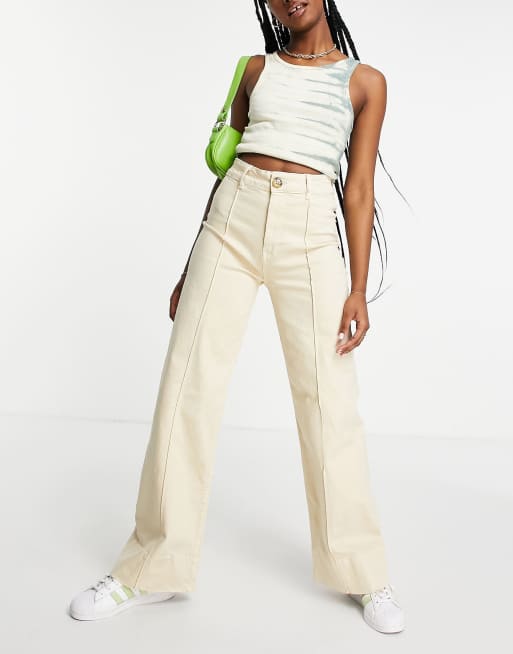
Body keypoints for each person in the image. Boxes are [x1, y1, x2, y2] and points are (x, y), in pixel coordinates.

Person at [69, 0, 406, 634]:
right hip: (231, 220)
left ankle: (361, 571)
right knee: (186, 387)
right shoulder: (254, 70)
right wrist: (190, 262)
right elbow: (225, 169)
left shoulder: (365, 82)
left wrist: (359, 288)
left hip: (310, 231)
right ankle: (151, 568)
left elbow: (358, 189)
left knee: (329, 401)